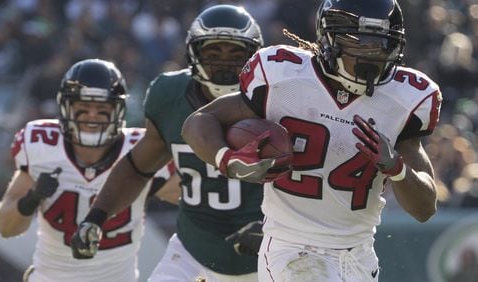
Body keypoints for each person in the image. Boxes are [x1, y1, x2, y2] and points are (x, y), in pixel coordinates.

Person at [182, 0, 443, 281]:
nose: (372, 54)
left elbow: (425, 208)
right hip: (291, 247)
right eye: (359, 42)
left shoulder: (406, 99)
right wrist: (227, 159)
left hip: (358, 256)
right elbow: (199, 121)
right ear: (330, 39)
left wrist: (398, 169)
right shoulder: (282, 77)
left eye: (381, 44)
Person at [70, 5, 265, 281]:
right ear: (193, 54)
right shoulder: (169, 95)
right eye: (213, 52)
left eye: (236, 53)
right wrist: (97, 216)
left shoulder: (276, 99)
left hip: (266, 253)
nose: (224, 62)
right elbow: (139, 166)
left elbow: (313, 181)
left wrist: (275, 228)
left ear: (252, 56)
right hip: (193, 248)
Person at [0, 58, 178, 282]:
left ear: (118, 111)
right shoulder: (43, 147)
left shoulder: (139, 151)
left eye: (101, 108)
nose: (92, 115)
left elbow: (195, 199)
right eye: (83, 107)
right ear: (66, 107)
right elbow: (6, 228)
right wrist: (31, 200)